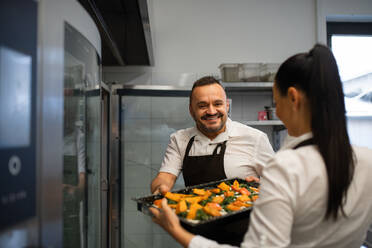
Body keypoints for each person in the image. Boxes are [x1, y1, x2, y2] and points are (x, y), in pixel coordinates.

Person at [149, 44, 372, 248]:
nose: (278, 110)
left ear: (292, 98)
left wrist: (178, 232)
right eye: (202, 105)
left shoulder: (285, 165)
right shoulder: (367, 160)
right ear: (192, 110)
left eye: (276, 99)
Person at [151, 76, 274, 195]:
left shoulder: (255, 138)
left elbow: (279, 183)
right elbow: (166, 176)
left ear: (227, 105)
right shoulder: (179, 139)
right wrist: (160, 188)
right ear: (191, 110)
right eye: (202, 106)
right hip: (197, 215)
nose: (211, 111)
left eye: (217, 104)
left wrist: (260, 188)